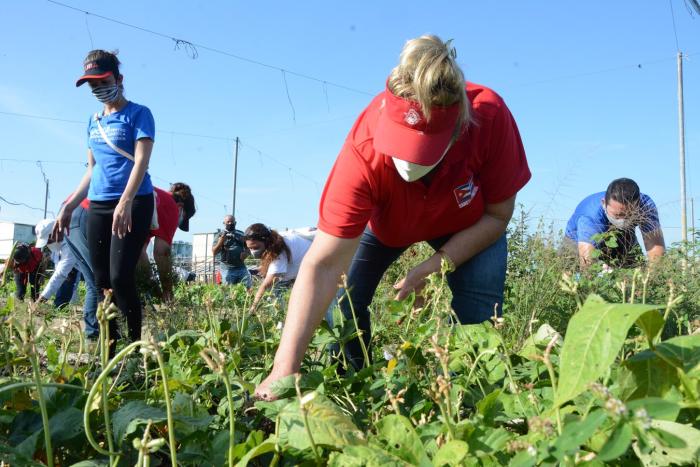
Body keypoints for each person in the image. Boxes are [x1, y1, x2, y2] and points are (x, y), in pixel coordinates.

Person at [254, 35, 531, 398]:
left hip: (469, 224)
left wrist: (433, 266)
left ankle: (472, 398)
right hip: (388, 226)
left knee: (478, 312)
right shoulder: (364, 148)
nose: (408, 161)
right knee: (346, 299)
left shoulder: (488, 117)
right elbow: (322, 266)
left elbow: (497, 216)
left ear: (456, 129)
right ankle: (356, 384)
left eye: (423, 149)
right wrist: (283, 370)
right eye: (401, 143)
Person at [55, 49, 155, 347]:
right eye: (92, 84)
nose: (98, 88)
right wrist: (70, 206)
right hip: (97, 204)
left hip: (133, 201)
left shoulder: (139, 114)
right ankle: (110, 348)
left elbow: (141, 162)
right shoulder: (93, 121)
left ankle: (134, 346)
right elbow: (92, 169)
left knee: (120, 277)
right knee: (100, 281)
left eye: (103, 81)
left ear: (119, 78)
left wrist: (125, 201)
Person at [565, 178, 665, 268]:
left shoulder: (645, 206)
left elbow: (655, 249)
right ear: (604, 203)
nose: (623, 220)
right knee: (568, 271)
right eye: (617, 215)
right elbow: (587, 262)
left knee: (636, 269)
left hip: (624, 234)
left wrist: (651, 278)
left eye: (629, 215)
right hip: (577, 238)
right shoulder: (590, 215)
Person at [138, 183, 196, 302]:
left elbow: (138, 253)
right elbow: (162, 253)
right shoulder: (170, 205)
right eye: (182, 218)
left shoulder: (155, 201)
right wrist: (167, 291)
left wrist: (152, 286)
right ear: (180, 207)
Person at [244, 224, 314, 311]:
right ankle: (282, 318)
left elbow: (266, 285)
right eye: (250, 248)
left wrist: (253, 307)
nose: (253, 252)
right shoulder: (275, 241)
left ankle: (281, 317)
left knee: (314, 307)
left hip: (319, 268)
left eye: (256, 247)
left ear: (266, 241)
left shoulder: (279, 252)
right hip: (305, 266)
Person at [34, 218, 80, 307]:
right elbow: (58, 266)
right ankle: (61, 306)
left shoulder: (70, 242)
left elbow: (60, 273)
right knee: (64, 280)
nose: (48, 244)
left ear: (56, 231)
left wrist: (41, 300)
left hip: (87, 269)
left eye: (49, 241)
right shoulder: (58, 243)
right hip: (70, 270)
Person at [212, 215, 250, 287]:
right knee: (228, 292)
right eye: (228, 222)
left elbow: (249, 248)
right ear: (224, 223)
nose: (230, 223)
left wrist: (246, 253)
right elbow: (214, 252)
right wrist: (221, 241)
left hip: (241, 267)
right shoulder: (219, 235)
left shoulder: (241, 234)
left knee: (248, 287)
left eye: (232, 222)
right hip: (227, 268)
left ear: (235, 223)